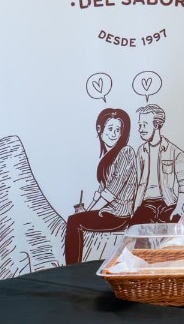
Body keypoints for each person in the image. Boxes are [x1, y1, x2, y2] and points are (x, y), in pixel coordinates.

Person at [65, 108, 137, 265]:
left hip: (118, 215)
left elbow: (111, 193)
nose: (114, 134)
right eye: (110, 129)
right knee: (75, 219)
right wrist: (87, 210)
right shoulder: (108, 157)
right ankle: (73, 265)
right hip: (107, 212)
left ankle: (72, 268)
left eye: (118, 130)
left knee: (74, 222)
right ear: (100, 129)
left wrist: (88, 212)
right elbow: (101, 192)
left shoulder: (126, 152)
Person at [130, 103, 184, 224]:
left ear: (156, 125)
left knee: (177, 228)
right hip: (145, 204)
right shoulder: (141, 151)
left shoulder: (175, 152)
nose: (140, 129)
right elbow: (136, 182)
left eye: (144, 125)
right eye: (139, 125)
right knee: (134, 230)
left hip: (168, 203)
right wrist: (134, 208)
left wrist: (179, 207)